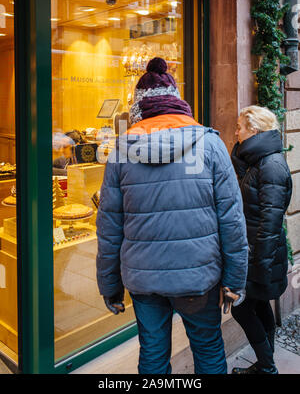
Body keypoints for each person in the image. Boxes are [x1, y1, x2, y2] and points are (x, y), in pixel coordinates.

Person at [96, 57, 248, 374]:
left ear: (139, 110)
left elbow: (109, 228)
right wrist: (235, 278)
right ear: (177, 102)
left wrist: (110, 285)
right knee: (208, 349)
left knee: (152, 355)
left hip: (144, 278)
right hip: (198, 277)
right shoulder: (209, 144)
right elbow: (232, 219)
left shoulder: (121, 152)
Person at [230, 105, 293, 375]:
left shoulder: (271, 166)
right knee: (258, 306)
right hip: (257, 251)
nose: (235, 132)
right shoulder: (259, 161)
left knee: (242, 310)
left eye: (240, 128)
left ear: (254, 130)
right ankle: (265, 365)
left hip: (260, 253)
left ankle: (267, 368)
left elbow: (270, 222)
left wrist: (258, 265)